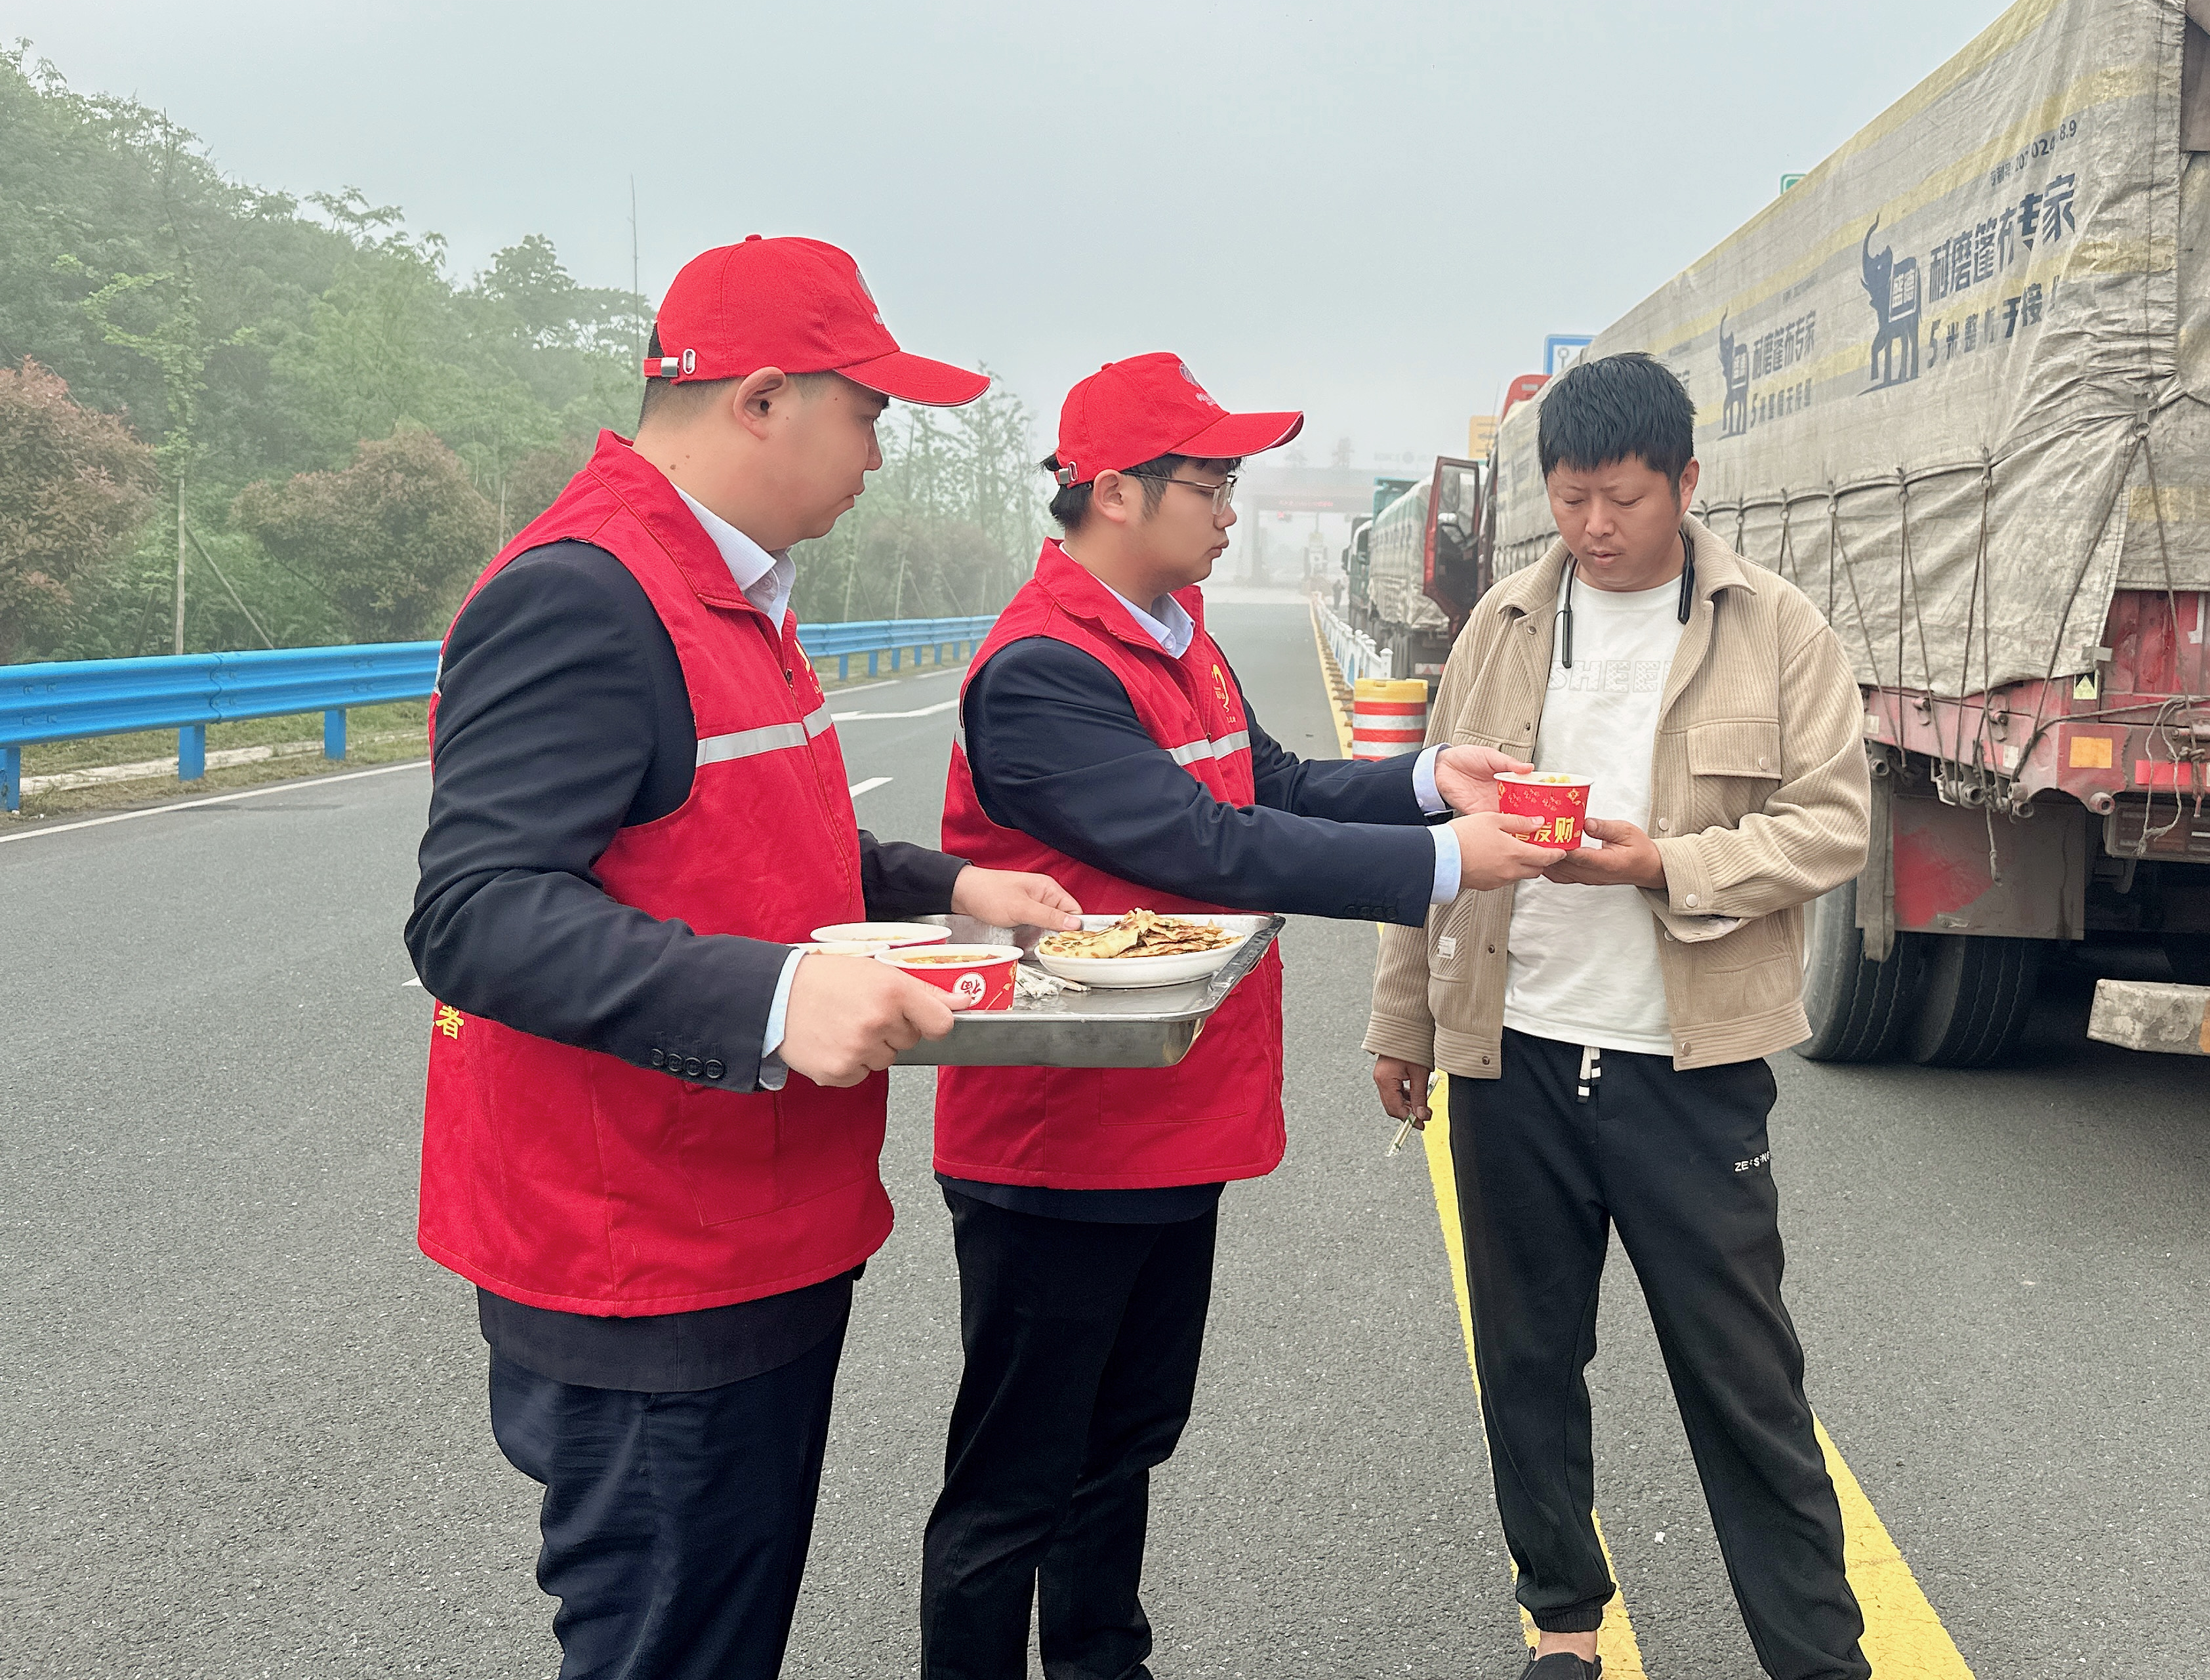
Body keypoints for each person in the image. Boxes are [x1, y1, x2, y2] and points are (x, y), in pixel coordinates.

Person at [406, 234, 1080, 1680]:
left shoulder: (728, 592)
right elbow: (476, 912)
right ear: (762, 399)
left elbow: (762, 839)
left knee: (724, 1625)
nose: (881, 455)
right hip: (646, 1255)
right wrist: (775, 996)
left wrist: (954, 885)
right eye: (870, 413)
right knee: (674, 1640)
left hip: (753, 1224)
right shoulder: (589, 593)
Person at [922, 351, 1563, 1680]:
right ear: (1114, 492)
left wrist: (1431, 782)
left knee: (1123, 1443)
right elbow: (1203, 845)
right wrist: (1442, 865)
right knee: (1015, 1483)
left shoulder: (1177, 638)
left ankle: (1103, 1663)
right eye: (1209, 485)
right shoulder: (1043, 671)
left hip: (1169, 1115)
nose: (1231, 510)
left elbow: (1270, 786)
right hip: (1061, 1139)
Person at [1366, 354, 1875, 1680]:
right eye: (1572, 499)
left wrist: (1665, 865)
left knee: (1744, 1382)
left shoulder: (1775, 627)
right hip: (1514, 1049)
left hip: (1685, 1066)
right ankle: (1564, 1624)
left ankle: (1819, 1657)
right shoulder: (1502, 626)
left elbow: (1832, 824)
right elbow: (1428, 836)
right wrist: (1404, 1018)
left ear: (1686, 483)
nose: (1597, 526)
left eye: (1626, 499)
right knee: (1528, 1363)